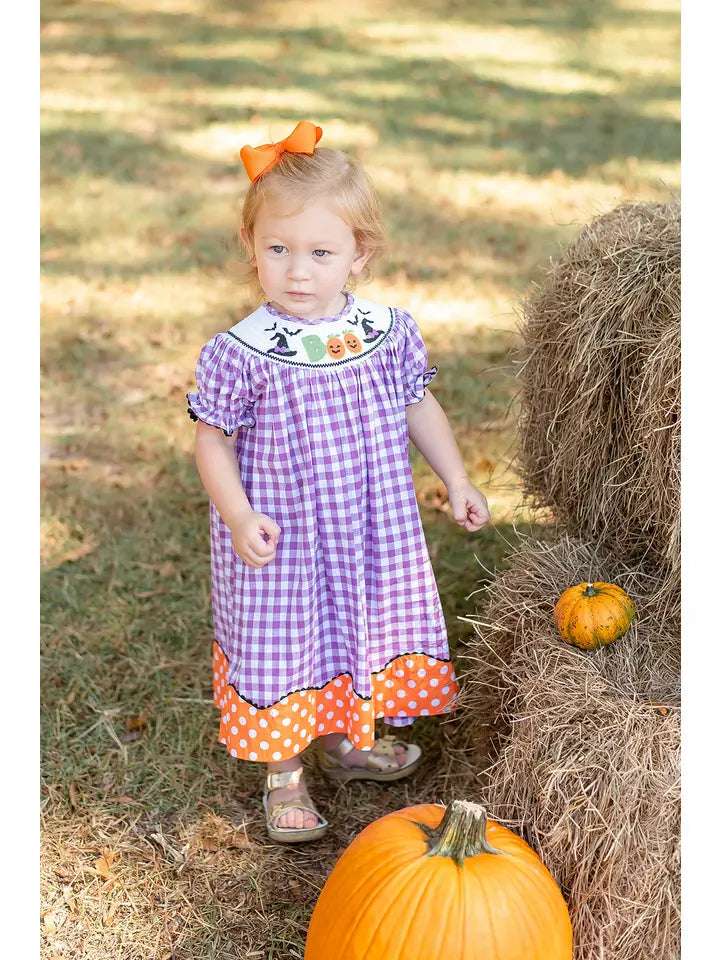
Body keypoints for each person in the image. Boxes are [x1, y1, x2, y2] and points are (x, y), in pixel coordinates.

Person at [187, 121, 490, 844]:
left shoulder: (388, 331)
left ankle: (346, 743)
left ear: (361, 254)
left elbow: (419, 403)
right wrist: (236, 515)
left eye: (321, 253)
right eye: (278, 250)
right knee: (283, 641)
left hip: (366, 527)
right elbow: (212, 441)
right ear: (251, 250)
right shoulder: (242, 352)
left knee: (353, 629)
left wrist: (455, 477)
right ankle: (284, 769)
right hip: (280, 535)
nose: (298, 271)